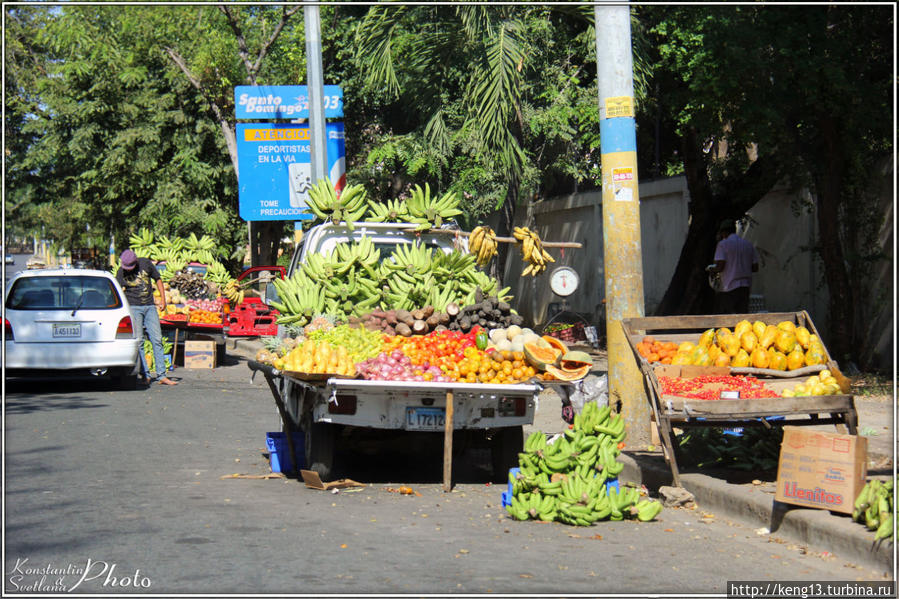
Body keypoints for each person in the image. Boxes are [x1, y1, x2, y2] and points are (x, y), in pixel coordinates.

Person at [116, 249, 178, 386]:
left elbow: (158, 279)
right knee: (139, 342)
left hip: (150, 307)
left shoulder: (145, 263)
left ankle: (162, 375)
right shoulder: (121, 272)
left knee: (157, 339)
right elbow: (118, 291)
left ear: (136, 261)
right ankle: (145, 375)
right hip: (133, 308)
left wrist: (163, 299)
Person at [708, 219, 758, 314]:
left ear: (724, 232)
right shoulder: (748, 245)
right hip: (745, 287)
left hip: (729, 287)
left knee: (727, 318)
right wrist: (743, 267)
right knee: (742, 318)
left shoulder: (723, 245)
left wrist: (712, 269)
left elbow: (721, 266)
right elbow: (755, 267)